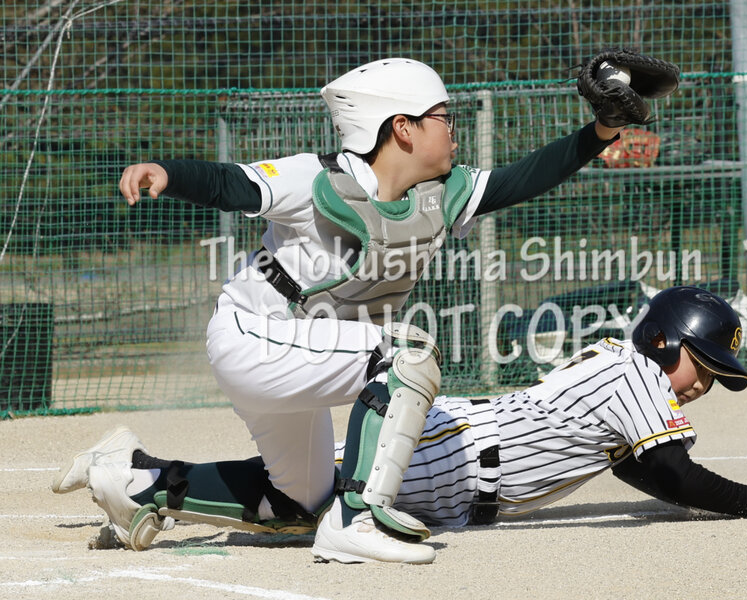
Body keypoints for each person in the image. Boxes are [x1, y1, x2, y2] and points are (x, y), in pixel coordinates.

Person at [104, 57, 639, 563]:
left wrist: (602, 130)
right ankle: (357, 520)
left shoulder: (440, 192)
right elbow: (232, 184)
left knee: (299, 502)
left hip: (306, 352)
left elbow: (525, 177)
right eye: (442, 117)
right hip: (253, 338)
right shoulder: (316, 178)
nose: (452, 129)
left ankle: (137, 484)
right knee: (405, 353)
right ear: (403, 128)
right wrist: (167, 172)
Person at [52, 286, 747, 562]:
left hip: (451, 450)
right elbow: (672, 473)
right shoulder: (638, 374)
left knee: (298, 493)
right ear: (662, 342)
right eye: (702, 366)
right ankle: (140, 483)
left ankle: (142, 473)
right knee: (304, 506)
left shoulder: (624, 375)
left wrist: (712, 494)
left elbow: (639, 466)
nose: (703, 385)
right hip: (450, 458)